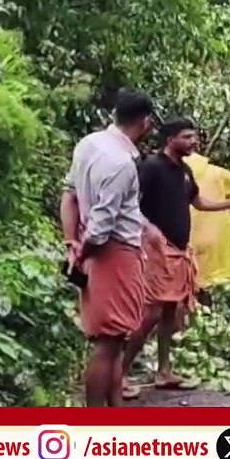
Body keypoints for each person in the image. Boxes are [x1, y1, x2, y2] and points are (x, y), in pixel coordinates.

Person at [121, 118, 230, 398]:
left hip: (179, 251)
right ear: (170, 139)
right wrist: (144, 235)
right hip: (156, 251)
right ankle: (120, 373)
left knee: (171, 313)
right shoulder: (151, 168)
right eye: (187, 137)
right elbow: (130, 203)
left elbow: (199, 203)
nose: (193, 142)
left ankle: (163, 370)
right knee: (151, 314)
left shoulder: (183, 171)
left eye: (193, 136)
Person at [60, 89, 157, 407]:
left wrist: (71, 243)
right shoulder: (121, 163)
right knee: (108, 343)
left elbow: (70, 194)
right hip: (113, 254)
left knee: (115, 341)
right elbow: (102, 225)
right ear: (145, 122)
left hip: (94, 249)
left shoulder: (89, 144)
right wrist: (84, 251)